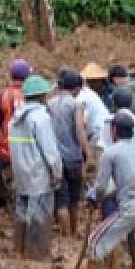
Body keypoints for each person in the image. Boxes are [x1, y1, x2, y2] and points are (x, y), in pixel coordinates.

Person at [82, 112, 135, 269]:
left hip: (131, 208)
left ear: (114, 130)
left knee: (95, 243)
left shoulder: (110, 153)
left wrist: (94, 198)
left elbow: (101, 187)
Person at [8, 76, 62, 262]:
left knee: (21, 212)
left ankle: (20, 249)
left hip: (21, 173)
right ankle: (37, 255)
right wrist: (56, 172)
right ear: (41, 96)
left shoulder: (15, 118)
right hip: (39, 174)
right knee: (40, 214)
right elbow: (50, 150)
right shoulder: (41, 118)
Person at [48, 69, 91, 238]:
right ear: (76, 88)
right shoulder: (75, 105)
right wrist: (87, 151)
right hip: (73, 158)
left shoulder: (50, 104)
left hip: (55, 159)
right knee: (73, 200)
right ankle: (72, 233)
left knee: (61, 200)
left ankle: (64, 236)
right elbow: (80, 130)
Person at [0, 59, 31, 207]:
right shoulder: (33, 95)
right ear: (27, 77)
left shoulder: (1, 95)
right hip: (28, 151)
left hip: (5, 148)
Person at [79, 63, 114, 171]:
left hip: (99, 135)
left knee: (97, 170)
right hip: (105, 132)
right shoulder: (91, 94)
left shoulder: (83, 96)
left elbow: (82, 124)